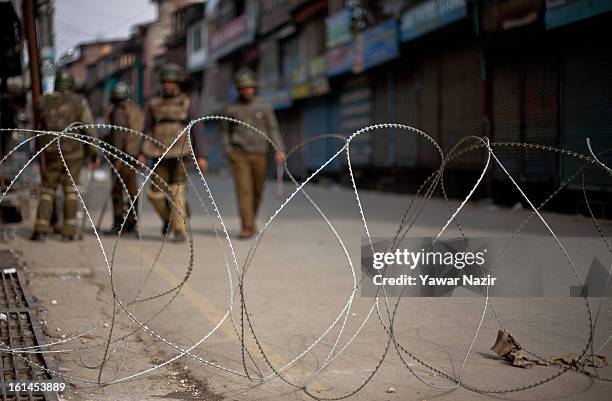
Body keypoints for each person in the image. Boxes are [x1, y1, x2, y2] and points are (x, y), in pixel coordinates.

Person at [140, 64, 207, 242]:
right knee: (155, 193)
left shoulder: (187, 102)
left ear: (177, 84)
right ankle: (170, 219)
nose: (167, 86)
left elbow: (197, 128)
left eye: (171, 82)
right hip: (158, 152)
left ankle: (179, 230)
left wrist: (201, 155)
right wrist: (142, 152)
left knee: (178, 191)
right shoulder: (153, 104)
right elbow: (145, 128)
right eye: (165, 83)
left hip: (181, 152)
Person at [31, 69, 99, 241]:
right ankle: (69, 231)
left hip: (51, 150)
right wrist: (94, 152)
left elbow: (37, 126)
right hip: (73, 153)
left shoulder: (44, 101)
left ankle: (40, 228)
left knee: (48, 189)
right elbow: (89, 128)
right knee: (70, 191)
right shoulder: (79, 102)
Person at [222, 67, 285, 239]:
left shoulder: (264, 107)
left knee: (257, 190)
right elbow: (225, 132)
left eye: (250, 87)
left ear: (254, 88)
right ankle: (247, 226)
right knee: (244, 190)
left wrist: (279, 149)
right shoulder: (231, 109)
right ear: (238, 89)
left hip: (260, 153)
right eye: (243, 88)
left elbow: (273, 129)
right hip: (239, 154)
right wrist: (228, 150)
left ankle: (251, 220)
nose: (247, 91)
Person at [106, 81, 144, 234]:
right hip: (133, 155)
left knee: (117, 190)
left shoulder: (119, 111)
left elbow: (118, 135)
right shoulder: (136, 110)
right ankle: (131, 222)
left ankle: (118, 222)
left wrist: (116, 156)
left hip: (121, 156)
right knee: (132, 190)